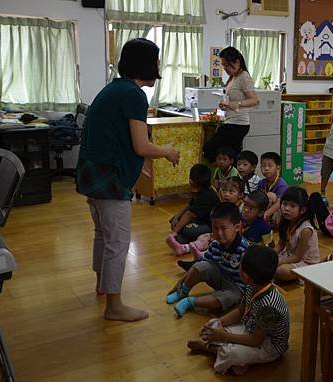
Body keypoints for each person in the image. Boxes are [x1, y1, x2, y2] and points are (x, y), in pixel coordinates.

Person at [76, 38, 180, 322]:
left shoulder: (113, 88)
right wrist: (167, 151)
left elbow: (120, 139)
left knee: (103, 234)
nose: (158, 68)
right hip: (108, 177)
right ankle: (114, 305)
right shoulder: (134, 95)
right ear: (146, 64)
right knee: (118, 242)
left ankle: (102, 286)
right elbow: (141, 146)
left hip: (91, 172)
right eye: (156, 62)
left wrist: (140, 164)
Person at [187, 245, 290, 375]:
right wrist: (219, 322)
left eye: (240, 265)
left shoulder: (269, 306)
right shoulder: (252, 286)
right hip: (251, 328)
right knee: (214, 325)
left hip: (269, 345)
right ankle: (240, 361)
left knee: (232, 353)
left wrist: (223, 336)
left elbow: (256, 341)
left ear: (245, 276)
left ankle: (209, 348)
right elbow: (240, 311)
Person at [166, 203, 249, 317]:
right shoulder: (215, 244)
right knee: (201, 265)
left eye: (224, 228)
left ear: (237, 227)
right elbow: (200, 264)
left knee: (229, 297)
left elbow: (251, 280)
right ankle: (183, 292)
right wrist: (180, 283)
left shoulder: (244, 250)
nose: (219, 233)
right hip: (220, 278)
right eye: (215, 227)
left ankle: (190, 302)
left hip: (236, 289)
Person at [168, 176, 244, 259]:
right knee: (203, 238)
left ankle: (203, 254)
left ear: (240, 194)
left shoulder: (240, 209)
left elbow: (238, 232)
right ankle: (184, 248)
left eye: (231, 191)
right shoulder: (221, 205)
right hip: (217, 234)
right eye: (224, 190)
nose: (226, 194)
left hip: (229, 239)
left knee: (213, 244)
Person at [203, 47, 258, 163]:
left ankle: (230, 178)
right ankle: (227, 178)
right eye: (223, 65)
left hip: (238, 124)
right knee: (228, 156)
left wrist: (236, 104)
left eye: (227, 65)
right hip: (230, 121)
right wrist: (225, 105)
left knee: (211, 150)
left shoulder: (244, 77)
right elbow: (231, 98)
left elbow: (254, 100)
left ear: (237, 62)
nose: (225, 69)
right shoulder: (233, 77)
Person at [168, 164, 220, 245]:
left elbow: (190, 214)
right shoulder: (201, 191)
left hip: (209, 225)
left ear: (191, 181)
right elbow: (189, 206)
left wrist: (174, 231)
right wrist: (177, 216)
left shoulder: (206, 195)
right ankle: (183, 238)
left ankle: (183, 238)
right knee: (174, 220)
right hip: (199, 219)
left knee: (188, 230)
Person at [275, 187, 319, 281]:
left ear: (302, 210)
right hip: (289, 256)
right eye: (284, 204)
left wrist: (277, 263)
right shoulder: (286, 221)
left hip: (305, 263)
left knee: (281, 271)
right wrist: (269, 257)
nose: (286, 208)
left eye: (292, 206)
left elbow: (297, 257)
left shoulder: (306, 230)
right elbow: (280, 245)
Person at [257, 152, 288, 224]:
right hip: (265, 210)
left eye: (270, 166)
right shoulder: (261, 182)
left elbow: (279, 203)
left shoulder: (281, 184)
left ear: (278, 168)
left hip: (279, 212)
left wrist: (266, 214)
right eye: (263, 166)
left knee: (271, 196)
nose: (266, 168)